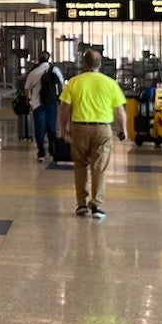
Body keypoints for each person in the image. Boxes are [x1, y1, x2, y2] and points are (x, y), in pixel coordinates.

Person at [58, 49, 127, 220]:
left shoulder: (74, 82)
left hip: (79, 128)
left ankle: (81, 204)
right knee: (99, 167)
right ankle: (96, 205)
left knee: (80, 165)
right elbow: (120, 111)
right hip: (102, 129)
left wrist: (63, 128)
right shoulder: (110, 83)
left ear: (84, 64)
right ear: (99, 64)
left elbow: (64, 108)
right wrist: (123, 129)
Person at [23, 57, 65, 163]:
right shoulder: (55, 70)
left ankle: (41, 153)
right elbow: (62, 85)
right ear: (48, 59)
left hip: (37, 104)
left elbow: (27, 88)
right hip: (52, 103)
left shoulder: (33, 72)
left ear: (39, 61)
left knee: (39, 128)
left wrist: (28, 100)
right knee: (51, 127)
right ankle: (52, 151)